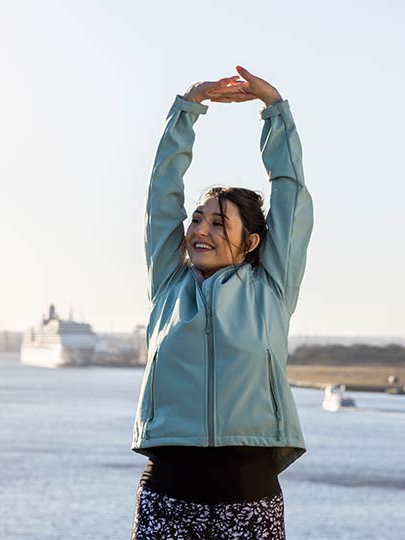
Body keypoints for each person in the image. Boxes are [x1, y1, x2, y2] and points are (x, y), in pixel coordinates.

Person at [130, 66, 313, 540]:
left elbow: (290, 195)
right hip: (168, 492)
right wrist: (187, 111)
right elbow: (159, 197)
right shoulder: (169, 284)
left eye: (217, 223)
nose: (200, 231)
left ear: (250, 242)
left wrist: (275, 111)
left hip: (249, 495)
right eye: (197, 219)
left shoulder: (270, 288)